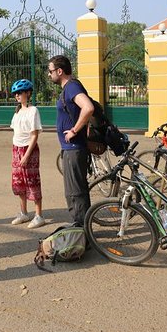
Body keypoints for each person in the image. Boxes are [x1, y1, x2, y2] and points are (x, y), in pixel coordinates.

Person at [48, 55, 94, 226]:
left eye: (51, 71)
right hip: (73, 148)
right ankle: (85, 229)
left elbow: (88, 107)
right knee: (79, 190)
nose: (49, 74)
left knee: (74, 192)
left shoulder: (72, 86)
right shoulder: (70, 87)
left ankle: (81, 231)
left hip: (74, 148)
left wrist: (74, 130)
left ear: (60, 71)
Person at [9, 79, 45, 229]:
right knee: (19, 182)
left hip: (28, 149)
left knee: (32, 181)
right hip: (16, 149)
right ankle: (23, 212)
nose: (17, 95)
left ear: (28, 93)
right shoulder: (18, 111)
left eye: (20, 93)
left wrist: (26, 155)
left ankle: (38, 215)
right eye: (16, 93)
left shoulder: (33, 111)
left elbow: (34, 135)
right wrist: (18, 154)